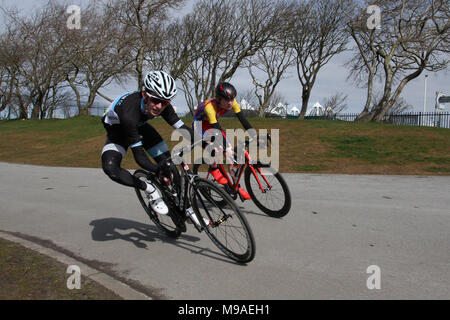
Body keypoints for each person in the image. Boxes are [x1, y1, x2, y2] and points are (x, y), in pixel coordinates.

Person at [101, 70, 198, 221]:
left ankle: (185, 207)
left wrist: (206, 141)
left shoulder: (162, 104)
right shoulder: (129, 113)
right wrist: (158, 170)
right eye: (156, 101)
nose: (159, 106)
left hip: (140, 128)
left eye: (165, 102)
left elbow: (182, 128)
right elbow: (140, 157)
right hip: (119, 133)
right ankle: (150, 190)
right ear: (145, 94)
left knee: (170, 166)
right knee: (111, 168)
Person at [192, 82, 255, 200]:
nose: (230, 102)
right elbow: (216, 131)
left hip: (212, 124)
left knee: (230, 154)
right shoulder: (209, 107)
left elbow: (243, 120)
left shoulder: (232, 102)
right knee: (216, 148)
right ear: (219, 99)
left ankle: (236, 186)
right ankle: (214, 168)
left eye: (232, 99)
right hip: (199, 126)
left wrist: (254, 135)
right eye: (227, 100)